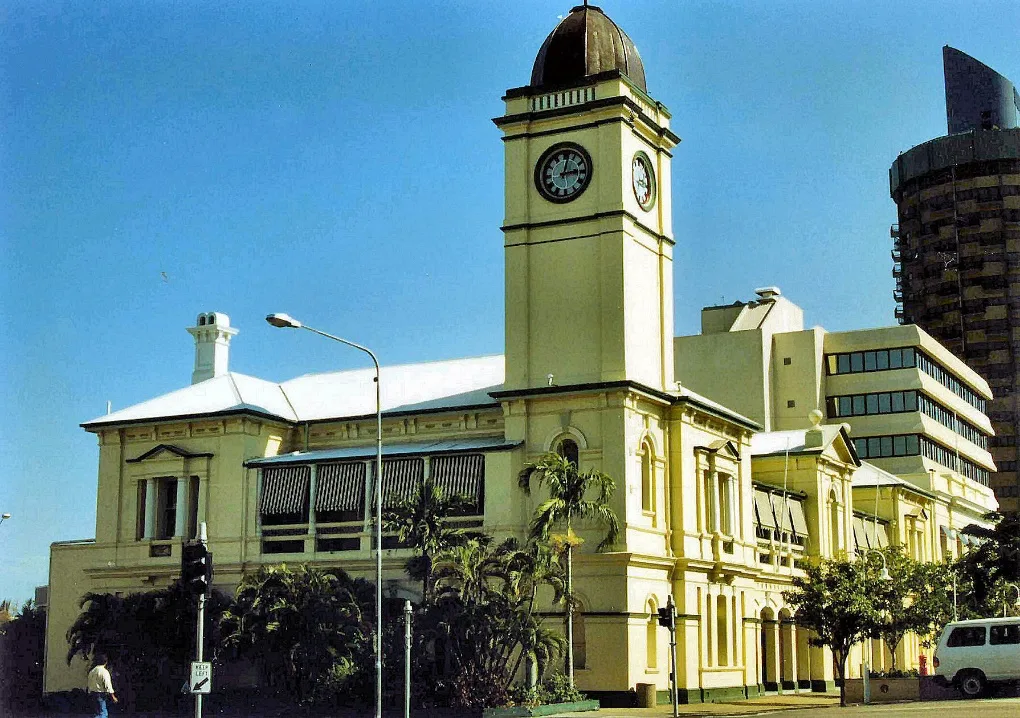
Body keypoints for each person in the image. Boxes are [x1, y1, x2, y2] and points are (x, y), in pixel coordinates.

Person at [86, 653, 118, 718]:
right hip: (100, 694)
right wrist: (113, 696)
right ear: (106, 662)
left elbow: (89, 683)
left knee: (97, 712)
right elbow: (107, 685)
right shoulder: (104, 672)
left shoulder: (92, 671)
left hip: (92, 693)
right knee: (103, 713)